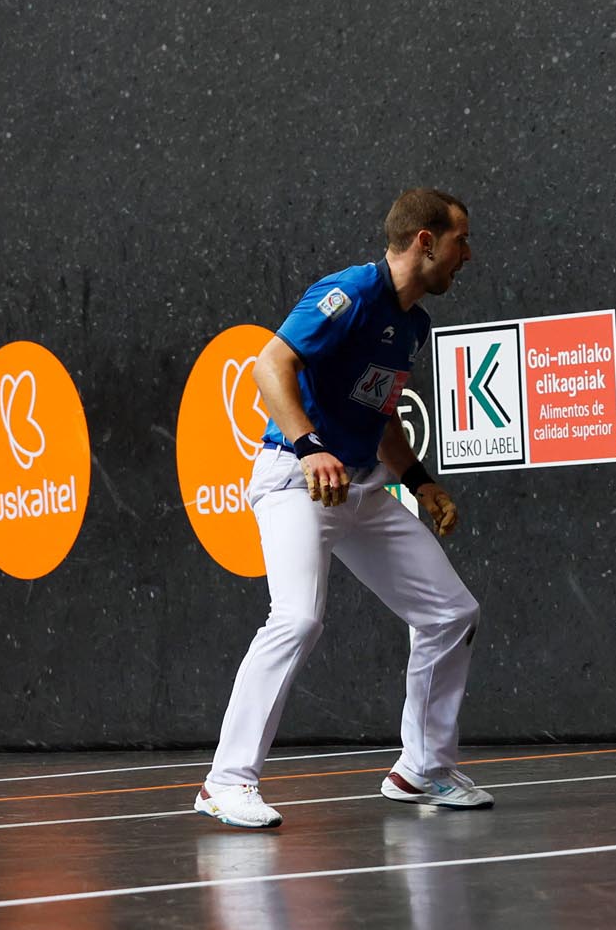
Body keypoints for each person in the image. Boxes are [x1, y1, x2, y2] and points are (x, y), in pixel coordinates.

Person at [195, 187, 489, 828]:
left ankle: (423, 768)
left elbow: (378, 415)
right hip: (295, 482)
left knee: (451, 612)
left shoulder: (413, 323)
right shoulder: (348, 295)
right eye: (461, 240)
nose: (469, 255)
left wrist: (420, 481)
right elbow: (269, 363)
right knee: (297, 618)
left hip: (361, 487)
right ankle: (226, 781)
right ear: (425, 241)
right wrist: (307, 447)